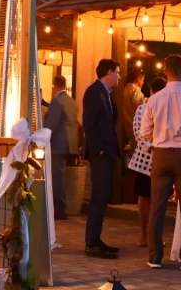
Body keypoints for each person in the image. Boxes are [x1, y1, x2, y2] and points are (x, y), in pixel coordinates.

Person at [140, 55, 181, 270]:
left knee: (157, 207)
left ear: (164, 70)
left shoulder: (154, 99)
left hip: (161, 154)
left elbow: (144, 132)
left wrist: (159, 139)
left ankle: (154, 256)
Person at [82, 59, 121, 259]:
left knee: (103, 195)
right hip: (101, 153)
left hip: (107, 152)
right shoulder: (94, 92)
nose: (119, 77)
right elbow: (89, 123)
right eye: (117, 72)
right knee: (99, 195)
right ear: (108, 72)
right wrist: (98, 150)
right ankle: (92, 241)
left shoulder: (106, 93)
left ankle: (96, 238)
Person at [129, 77, 168, 247]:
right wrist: (154, 147)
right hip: (145, 160)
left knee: (160, 198)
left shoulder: (170, 109)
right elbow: (139, 134)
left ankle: (156, 234)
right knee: (145, 197)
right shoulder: (142, 109)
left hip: (165, 158)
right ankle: (144, 233)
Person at [44, 75, 77, 220]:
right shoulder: (71, 101)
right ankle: (61, 206)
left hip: (58, 143)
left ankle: (59, 209)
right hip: (70, 143)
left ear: (54, 85)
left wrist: (42, 136)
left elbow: (52, 124)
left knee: (56, 177)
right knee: (62, 176)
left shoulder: (57, 101)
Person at [122, 68, 146, 150]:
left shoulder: (124, 89)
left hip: (126, 127)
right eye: (143, 80)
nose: (143, 82)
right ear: (139, 78)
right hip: (136, 129)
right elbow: (139, 109)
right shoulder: (135, 90)